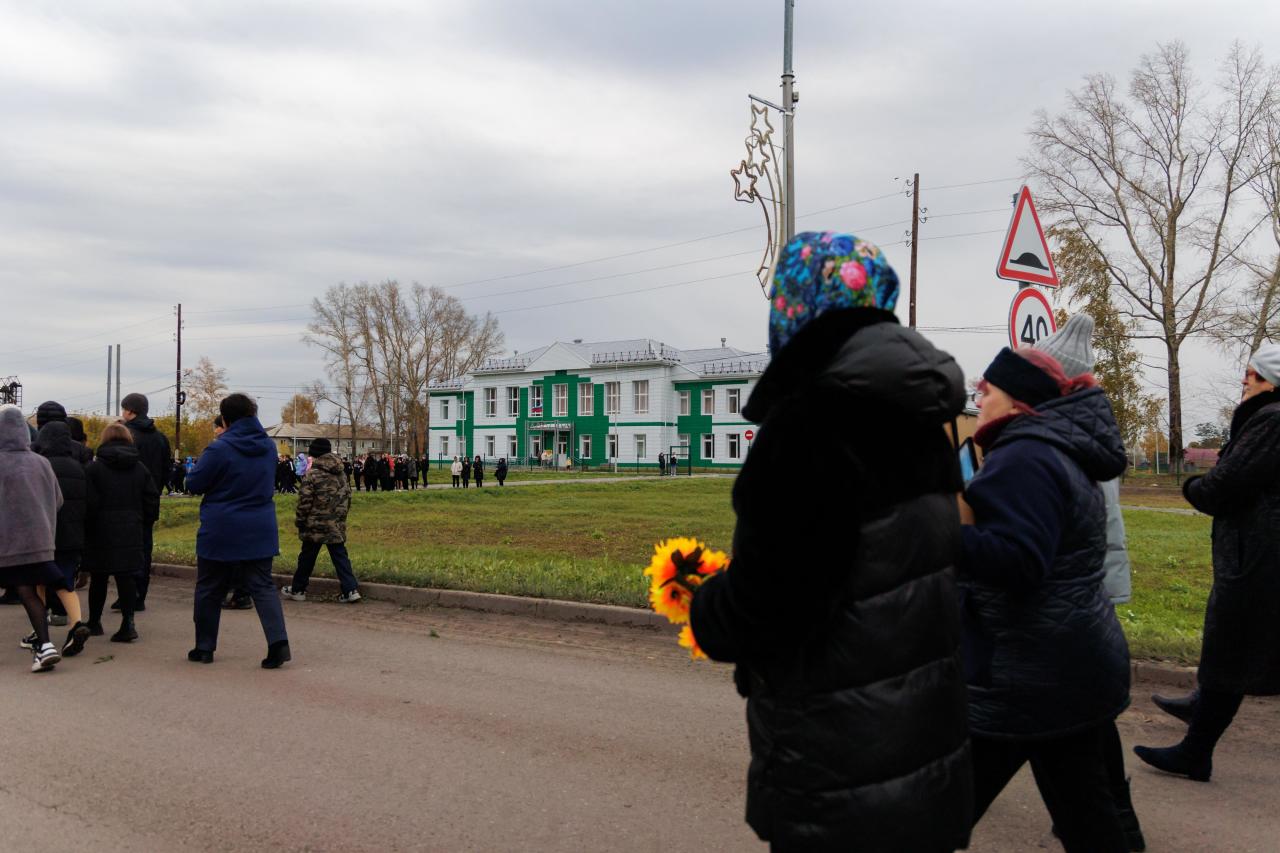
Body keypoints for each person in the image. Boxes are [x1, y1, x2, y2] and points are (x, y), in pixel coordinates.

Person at [688, 231, 973, 852]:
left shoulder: (809, 429)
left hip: (836, 761)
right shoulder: (920, 419)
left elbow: (771, 605)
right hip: (921, 742)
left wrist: (705, 607)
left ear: (796, 310)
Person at [958, 345, 1130, 852]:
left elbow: (1017, 562)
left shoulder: (1025, 456)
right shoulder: (1054, 449)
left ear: (1017, 401)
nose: (980, 395)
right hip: (1062, 666)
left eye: (989, 388)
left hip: (1024, 672)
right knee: (1089, 820)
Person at [1134, 343, 1280, 782]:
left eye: (1252, 375)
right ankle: (1201, 709)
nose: (1244, 380)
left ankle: (1196, 750)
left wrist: (1195, 487)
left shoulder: (1272, 420)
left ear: (1272, 382)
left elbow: (1225, 483)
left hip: (1259, 555)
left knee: (1234, 642)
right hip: (1255, 551)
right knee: (1233, 642)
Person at [1036, 316, 1145, 848]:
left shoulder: (1068, 437)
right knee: (1085, 720)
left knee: (1072, 718)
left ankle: (1108, 823)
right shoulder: (1087, 427)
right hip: (1090, 590)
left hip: (1077, 592)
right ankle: (1110, 820)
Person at [184, 393, 291, 668]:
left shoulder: (220, 448)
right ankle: (278, 643)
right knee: (263, 585)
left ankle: (204, 647)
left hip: (223, 526)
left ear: (226, 419)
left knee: (209, 586)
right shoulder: (268, 447)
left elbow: (195, 483)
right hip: (260, 524)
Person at [0, 405, 68, 672]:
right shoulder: (41, 462)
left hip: (4, 541)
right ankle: (45, 645)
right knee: (29, 592)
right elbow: (58, 500)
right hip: (37, 542)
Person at [83, 422, 160, 643]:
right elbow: (151, 498)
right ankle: (128, 623)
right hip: (131, 526)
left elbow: (89, 502)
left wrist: (89, 523)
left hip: (100, 529)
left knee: (98, 577)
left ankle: (95, 622)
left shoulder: (94, 469)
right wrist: (145, 521)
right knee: (126, 577)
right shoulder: (140, 468)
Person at [32, 418, 93, 656]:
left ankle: (39, 633)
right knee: (65, 581)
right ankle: (76, 624)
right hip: (73, 534)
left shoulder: (41, 465)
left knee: (39, 580)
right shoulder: (78, 467)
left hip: (45, 533)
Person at [280, 438, 363, 604]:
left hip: (314, 524)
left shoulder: (312, 474)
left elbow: (304, 502)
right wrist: (340, 518)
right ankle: (350, 589)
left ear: (315, 453)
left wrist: (300, 521)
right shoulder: (341, 474)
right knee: (340, 556)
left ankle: (298, 589)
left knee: (307, 557)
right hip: (335, 524)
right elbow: (348, 498)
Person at [119, 392, 170, 613]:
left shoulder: (127, 435)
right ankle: (140, 594)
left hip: (127, 500)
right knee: (144, 547)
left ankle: (127, 596)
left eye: (124, 409)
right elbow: (167, 469)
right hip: (151, 499)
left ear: (131, 411)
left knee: (124, 548)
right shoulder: (160, 438)